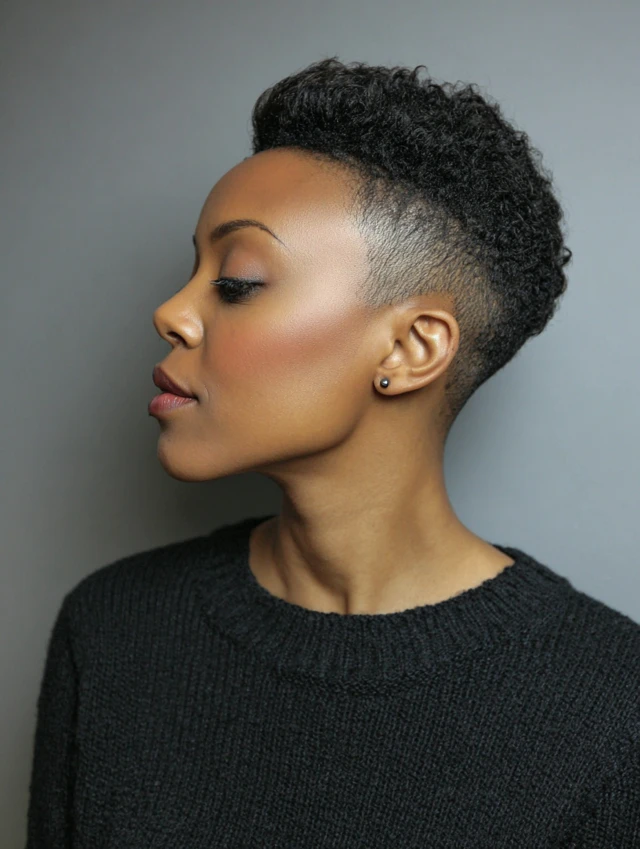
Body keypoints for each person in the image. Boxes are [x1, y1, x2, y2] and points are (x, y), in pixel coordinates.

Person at [26, 57, 639, 847]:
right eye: (192, 270)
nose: (171, 312)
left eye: (236, 281)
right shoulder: (114, 632)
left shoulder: (612, 709)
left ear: (412, 349)